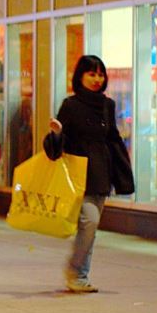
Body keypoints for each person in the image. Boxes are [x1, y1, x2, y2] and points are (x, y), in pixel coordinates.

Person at [44, 55, 134, 293]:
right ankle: (76, 272)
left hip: (100, 173)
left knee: (89, 228)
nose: (97, 79)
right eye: (91, 74)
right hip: (76, 175)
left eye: (100, 74)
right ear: (80, 76)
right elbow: (57, 144)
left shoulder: (107, 105)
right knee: (89, 222)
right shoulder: (70, 105)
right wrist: (57, 133)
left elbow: (113, 139)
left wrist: (122, 172)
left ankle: (80, 276)